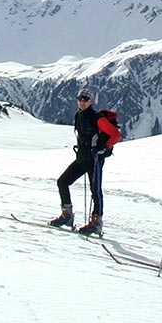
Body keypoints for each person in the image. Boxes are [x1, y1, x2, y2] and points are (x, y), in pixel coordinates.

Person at [49, 88, 122, 236]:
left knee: (95, 191)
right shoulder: (79, 116)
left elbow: (116, 135)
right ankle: (67, 215)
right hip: (83, 158)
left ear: (91, 102)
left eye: (85, 99)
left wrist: (104, 147)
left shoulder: (97, 118)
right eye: (80, 98)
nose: (82, 102)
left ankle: (96, 222)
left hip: (94, 159)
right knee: (62, 182)